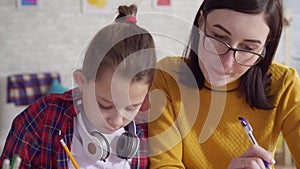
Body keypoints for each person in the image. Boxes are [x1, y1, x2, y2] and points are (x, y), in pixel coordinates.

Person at [0, 4, 156, 169]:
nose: (116, 121)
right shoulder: (43, 116)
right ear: (81, 81)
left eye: (131, 108)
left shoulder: (149, 130)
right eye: (105, 105)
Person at [148, 0, 300, 168]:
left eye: (248, 48)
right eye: (219, 37)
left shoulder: (284, 85)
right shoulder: (168, 77)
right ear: (201, 22)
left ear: (266, 47)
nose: (226, 63)